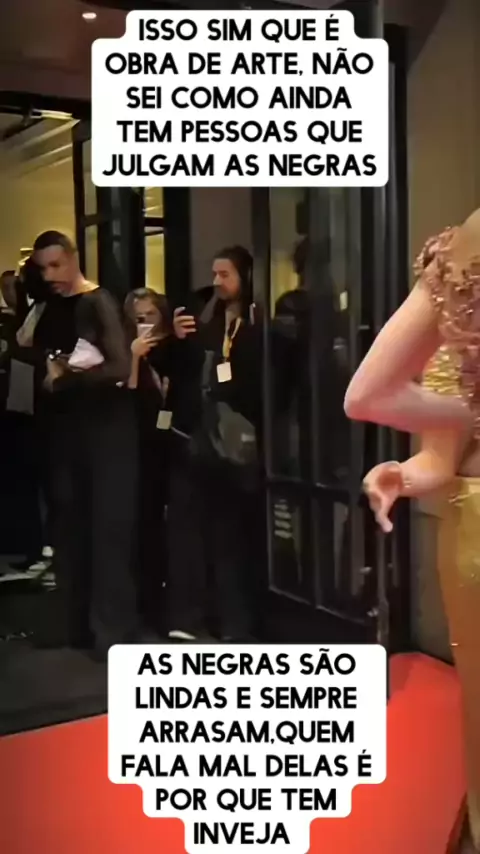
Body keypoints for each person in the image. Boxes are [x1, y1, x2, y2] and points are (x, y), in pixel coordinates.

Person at [344, 211, 480, 853]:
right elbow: (435, 452)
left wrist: (416, 464)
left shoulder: (469, 245)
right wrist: (408, 471)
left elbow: (370, 395)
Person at [32, 229, 142, 657]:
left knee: (107, 529)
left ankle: (111, 629)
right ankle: (77, 623)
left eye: (56, 265)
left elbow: (119, 366)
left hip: (106, 431)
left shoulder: (98, 301)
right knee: (71, 527)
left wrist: (65, 378)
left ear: (74, 259)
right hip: (70, 431)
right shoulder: (51, 306)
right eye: (43, 268)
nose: (50, 275)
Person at [167, 245, 265, 642]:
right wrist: (177, 339)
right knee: (196, 530)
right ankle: (194, 616)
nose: (217, 282)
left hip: (237, 437)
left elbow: (260, 380)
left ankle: (235, 623)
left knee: (232, 535)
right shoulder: (205, 317)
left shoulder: (257, 323)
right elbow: (182, 370)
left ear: (245, 277)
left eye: (225, 274)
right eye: (215, 274)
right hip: (201, 435)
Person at [124, 288, 174, 632]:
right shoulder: (130, 353)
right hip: (139, 446)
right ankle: (145, 600)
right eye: (138, 318)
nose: (144, 323)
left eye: (150, 316)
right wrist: (134, 357)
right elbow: (125, 396)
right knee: (144, 523)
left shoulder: (171, 350)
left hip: (170, 443)